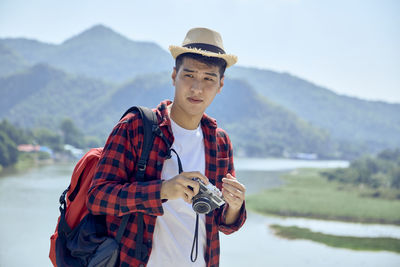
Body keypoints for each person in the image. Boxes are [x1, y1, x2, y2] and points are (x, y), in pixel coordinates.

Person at [87, 27, 247, 267]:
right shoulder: (136, 127)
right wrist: (163, 190)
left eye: (208, 79)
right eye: (189, 75)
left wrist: (234, 206)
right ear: (174, 76)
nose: (197, 88)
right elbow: (98, 197)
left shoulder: (220, 142)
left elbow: (223, 223)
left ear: (220, 84)